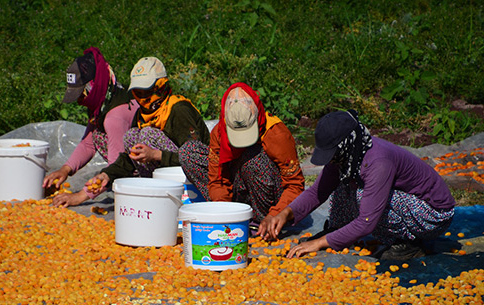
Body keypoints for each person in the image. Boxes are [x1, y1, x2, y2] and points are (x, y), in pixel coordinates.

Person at [259, 110, 456, 261]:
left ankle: (405, 244)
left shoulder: (378, 162)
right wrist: (284, 214)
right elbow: (317, 192)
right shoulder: (349, 156)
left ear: (346, 144)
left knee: (362, 196)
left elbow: (367, 221)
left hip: (432, 214)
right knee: (345, 180)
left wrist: (318, 243)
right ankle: (338, 232)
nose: (331, 159)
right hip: (406, 203)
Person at [178, 82, 305, 227]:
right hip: (238, 189)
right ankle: (235, 216)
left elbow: (295, 185)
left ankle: (261, 221)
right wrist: (224, 213)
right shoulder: (219, 133)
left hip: (269, 197)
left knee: (251, 156)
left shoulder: (276, 134)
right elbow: (217, 178)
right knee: (188, 152)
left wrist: (276, 214)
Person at [85, 57, 210, 193]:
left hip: (197, 178)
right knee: (131, 136)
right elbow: (130, 157)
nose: (143, 97)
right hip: (164, 176)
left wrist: (157, 155)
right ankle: (153, 191)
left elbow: (197, 157)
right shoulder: (142, 115)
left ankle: (169, 194)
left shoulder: (178, 111)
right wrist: (107, 175)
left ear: (161, 87)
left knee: (147, 134)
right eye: (139, 93)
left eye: (148, 91)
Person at [42, 47, 139, 207]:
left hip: (138, 170)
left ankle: (134, 187)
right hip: (122, 165)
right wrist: (65, 170)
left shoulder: (114, 116)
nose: (80, 100)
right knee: (97, 134)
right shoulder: (104, 99)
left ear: (93, 86)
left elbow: (116, 168)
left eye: (81, 93)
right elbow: (89, 143)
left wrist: (79, 197)